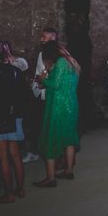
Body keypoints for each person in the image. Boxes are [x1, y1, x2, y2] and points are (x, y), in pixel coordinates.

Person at [33, 41, 80, 187]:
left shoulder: (60, 62)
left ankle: (51, 178)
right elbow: (71, 82)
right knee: (68, 137)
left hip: (58, 106)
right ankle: (69, 170)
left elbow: (56, 84)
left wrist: (42, 80)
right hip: (71, 103)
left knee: (50, 138)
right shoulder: (71, 62)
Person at [0, 41, 27, 203]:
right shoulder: (16, 71)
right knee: (16, 155)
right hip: (14, 114)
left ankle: (9, 194)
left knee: (3, 158)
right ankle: (21, 190)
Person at [24, 27, 58, 164]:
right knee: (35, 123)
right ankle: (35, 151)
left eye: (44, 36)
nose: (40, 39)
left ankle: (46, 153)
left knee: (45, 124)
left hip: (49, 93)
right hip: (39, 92)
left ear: (52, 38)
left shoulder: (57, 55)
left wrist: (42, 80)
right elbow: (40, 72)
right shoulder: (41, 53)